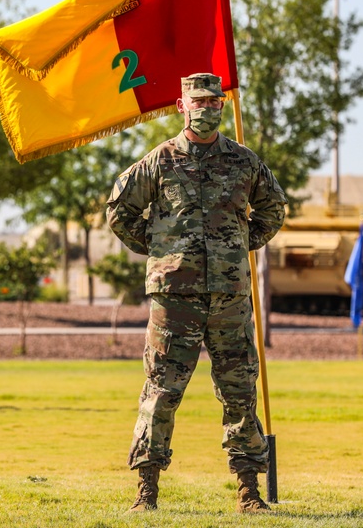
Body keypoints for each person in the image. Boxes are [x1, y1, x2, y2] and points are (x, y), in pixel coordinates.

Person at [106, 73, 287, 514]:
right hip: (175, 298)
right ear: (180, 104)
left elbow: (273, 208)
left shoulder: (244, 162)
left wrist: (240, 244)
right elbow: (119, 210)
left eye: (212, 101)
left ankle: (249, 491)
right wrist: (160, 250)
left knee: (239, 390)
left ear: (222, 105)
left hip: (229, 296)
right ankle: (146, 491)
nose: (204, 108)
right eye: (197, 101)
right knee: (161, 391)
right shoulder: (161, 161)